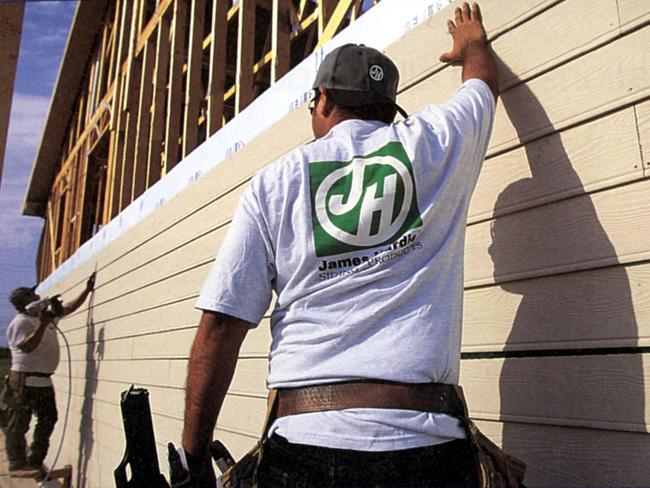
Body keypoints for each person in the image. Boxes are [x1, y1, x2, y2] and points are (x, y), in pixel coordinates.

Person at [182, 2, 498, 486]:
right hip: (430, 449)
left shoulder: (275, 182)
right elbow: (480, 87)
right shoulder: (437, 142)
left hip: (306, 452)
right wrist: (472, 44)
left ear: (324, 99)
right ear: (387, 107)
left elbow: (221, 326)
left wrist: (195, 455)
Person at [4, 273, 95, 475]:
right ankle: (17, 463)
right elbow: (27, 346)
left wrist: (86, 291)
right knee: (19, 421)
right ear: (25, 303)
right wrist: (44, 323)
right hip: (24, 379)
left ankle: (35, 460)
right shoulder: (21, 322)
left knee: (48, 418)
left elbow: (69, 308)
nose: (37, 298)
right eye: (32, 296)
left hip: (43, 379)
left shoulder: (42, 317)